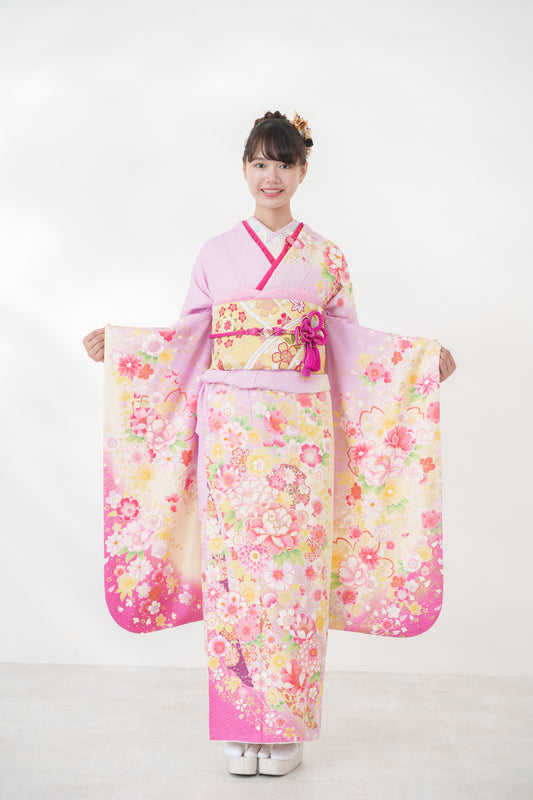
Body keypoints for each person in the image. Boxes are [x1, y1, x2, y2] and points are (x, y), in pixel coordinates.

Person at [84, 111, 456, 777]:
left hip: (301, 434)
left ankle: (286, 727)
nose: (271, 175)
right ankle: (239, 720)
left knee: (294, 573)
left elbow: (351, 347)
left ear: (303, 170)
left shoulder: (326, 257)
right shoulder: (215, 253)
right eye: (259, 163)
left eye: (283, 163)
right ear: (244, 170)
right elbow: (187, 340)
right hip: (229, 430)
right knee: (233, 573)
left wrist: (418, 364)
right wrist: (123, 349)